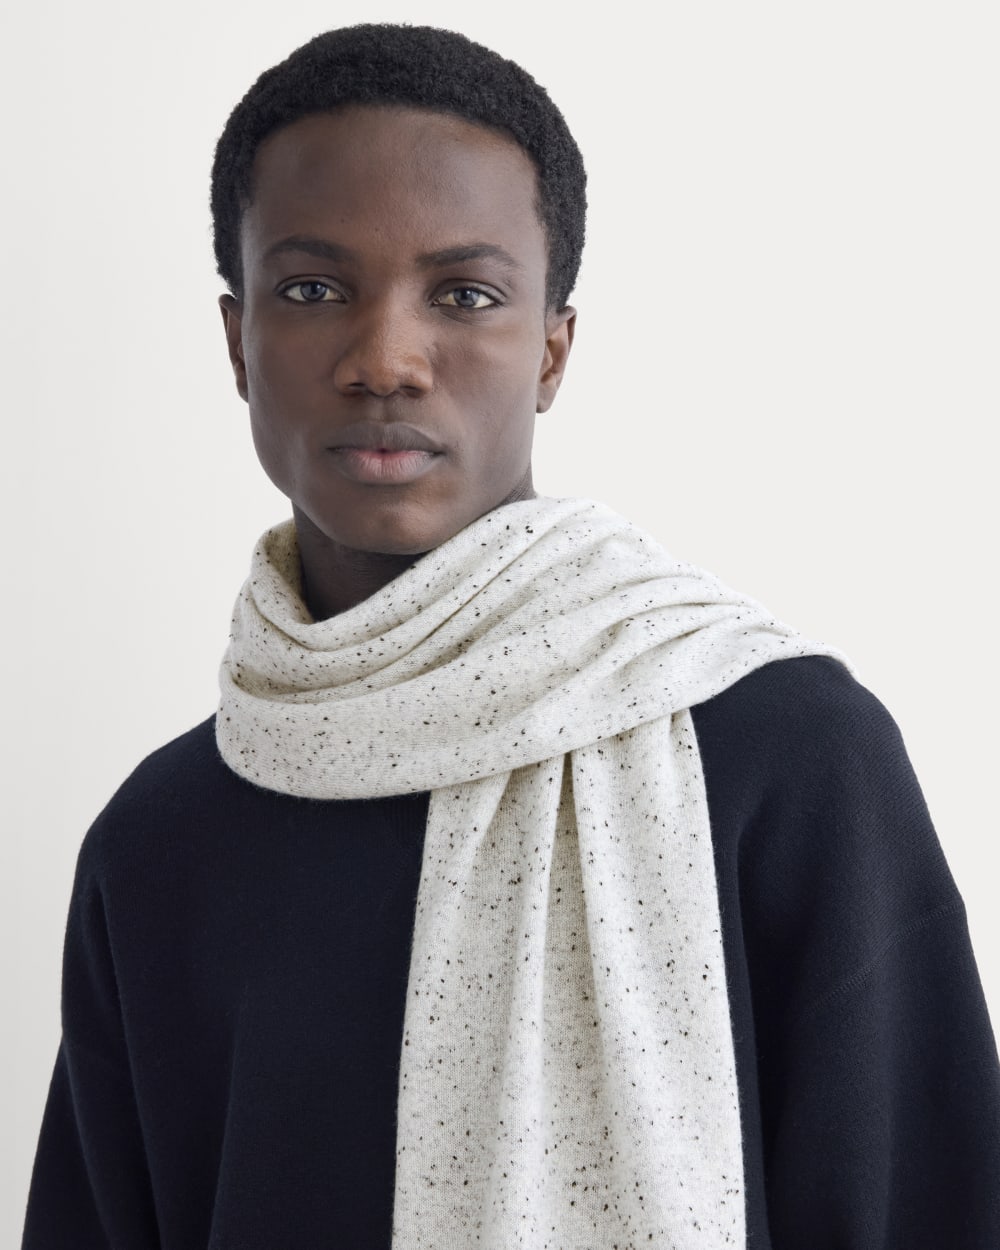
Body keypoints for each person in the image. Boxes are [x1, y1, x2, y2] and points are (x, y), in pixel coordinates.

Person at [22, 23, 1000, 1250]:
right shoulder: (160, 841)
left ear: (550, 348)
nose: (385, 359)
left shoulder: (787, 755)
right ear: (237, 342)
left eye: (465, 295)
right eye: (313, 289)